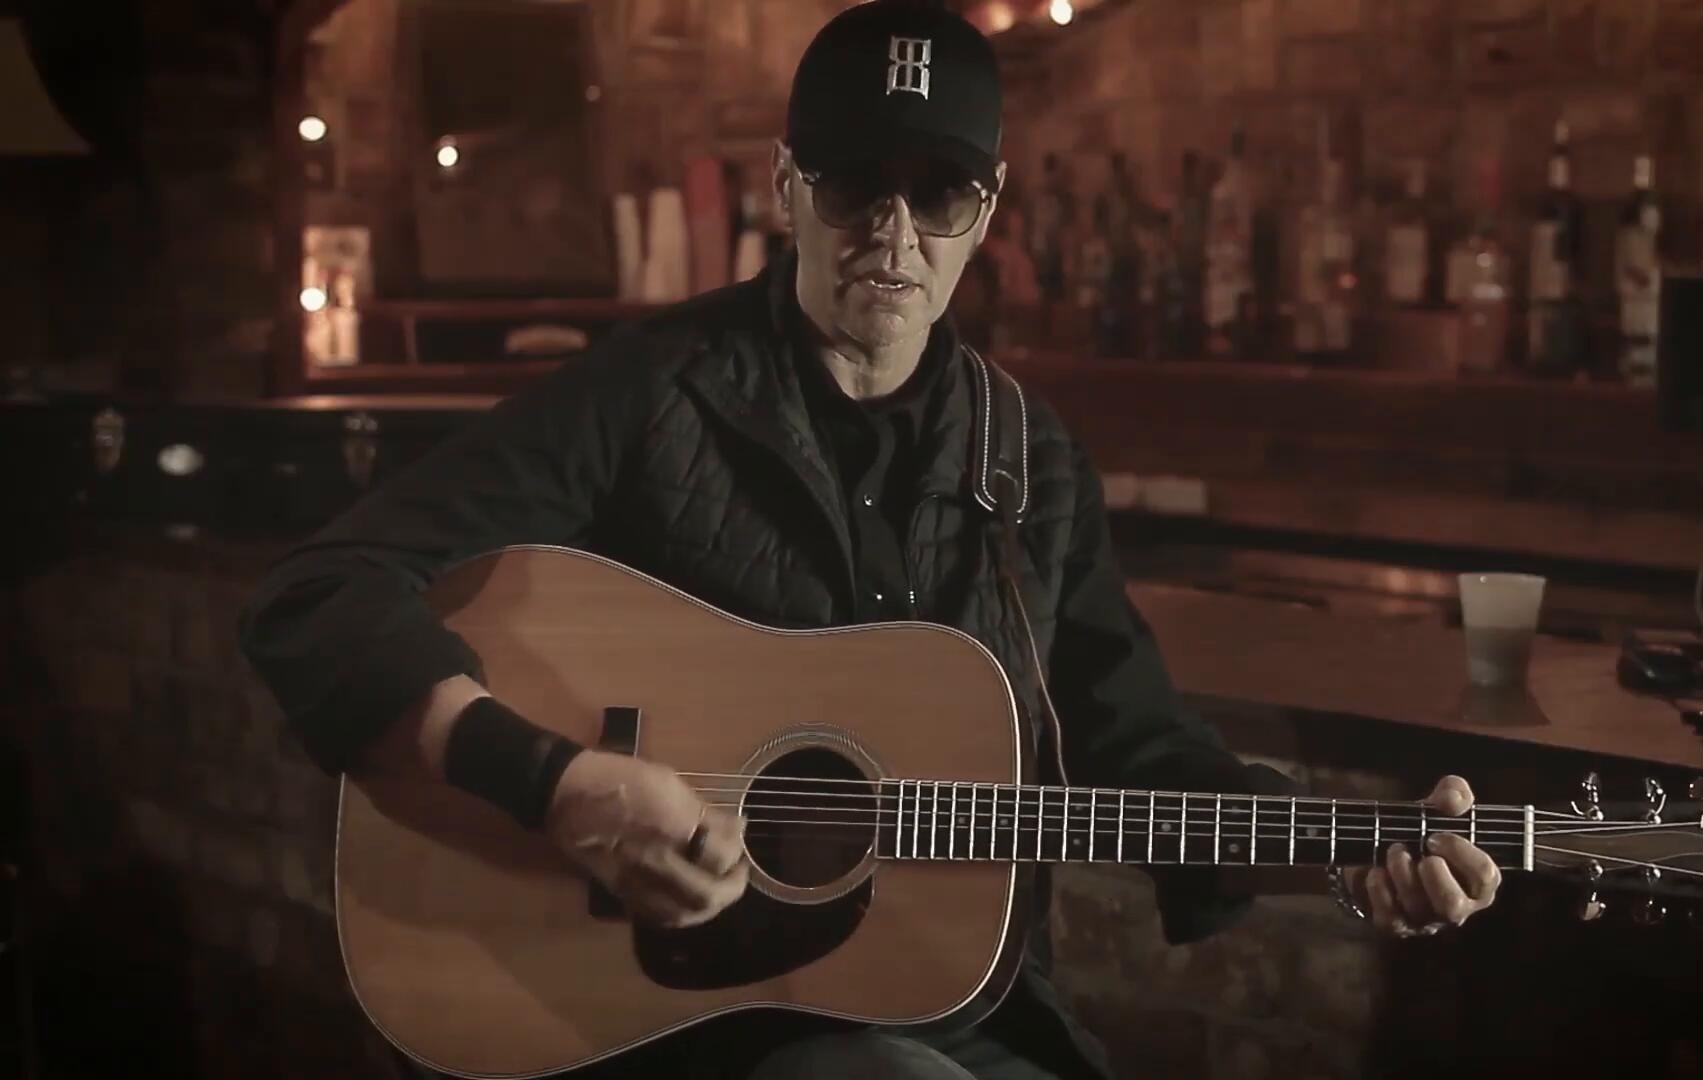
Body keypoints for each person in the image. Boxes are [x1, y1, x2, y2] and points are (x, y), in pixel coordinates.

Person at [236, 3, 1501, 1079]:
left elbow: (1139, 744)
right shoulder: (647, 395)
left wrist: (1346, 855)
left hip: (954, 1011)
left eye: (938, 192)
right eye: (853, 184)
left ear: (987, 210)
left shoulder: (1031, 461)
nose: (893, 234)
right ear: (788, 185)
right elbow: (319, 591)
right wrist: (555, 784)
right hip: (674, 1021)